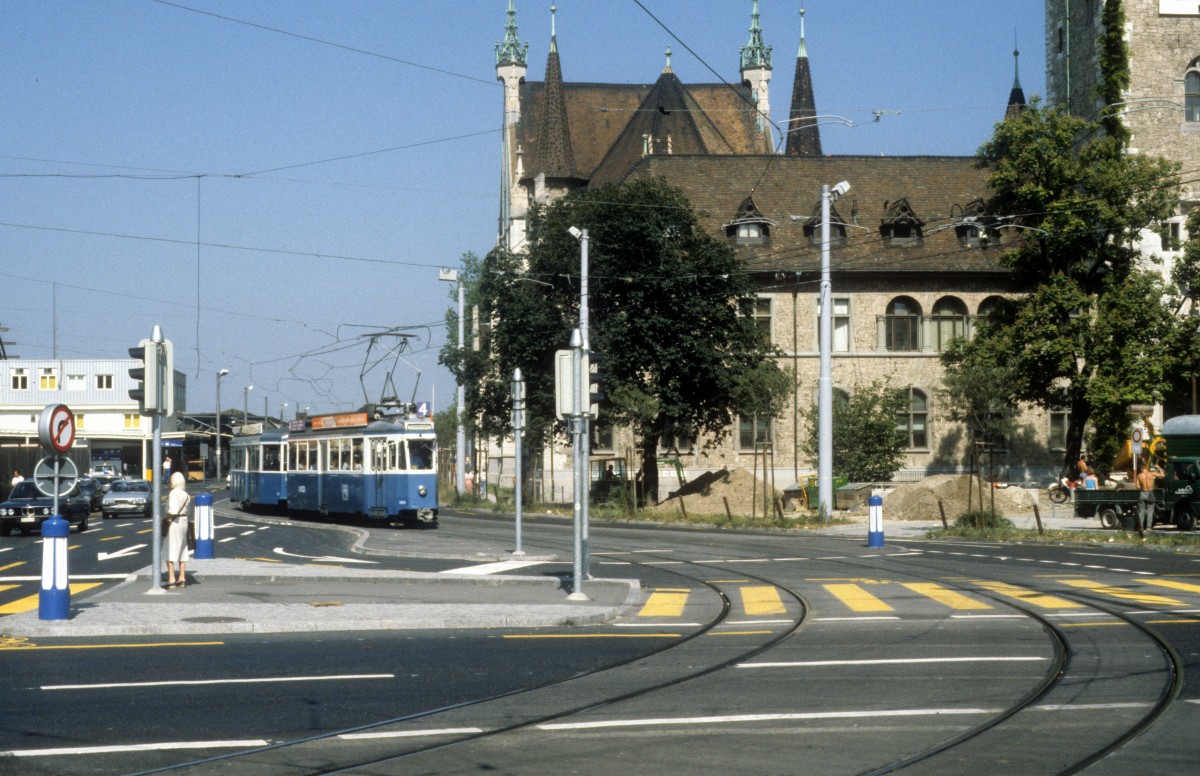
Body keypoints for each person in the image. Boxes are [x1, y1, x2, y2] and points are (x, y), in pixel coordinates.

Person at [164, 472, 191, 588]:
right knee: (182, 549)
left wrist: (166, 517)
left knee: (169, 549)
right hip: (184, 522)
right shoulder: (186, 494)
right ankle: (182, 577)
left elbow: (174, 510)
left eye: (170, 480)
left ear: (175, 482)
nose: (169, 482)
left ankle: (171, 578)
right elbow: (188, 511)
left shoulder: (173, 493)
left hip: (174, 523)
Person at [1136, 460, 1164, 531]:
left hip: (1143, 493)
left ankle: (1141, 527)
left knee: (1141, 511)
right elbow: (1162, 475)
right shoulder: (1151, 474)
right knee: (1150, 511)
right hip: (1150, 493)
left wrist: (1142, 487)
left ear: (1141, 468)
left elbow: (1137, 486)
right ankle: (1148, 527)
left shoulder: (1139, 475)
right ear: (1146, 467)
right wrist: (1158, 467)